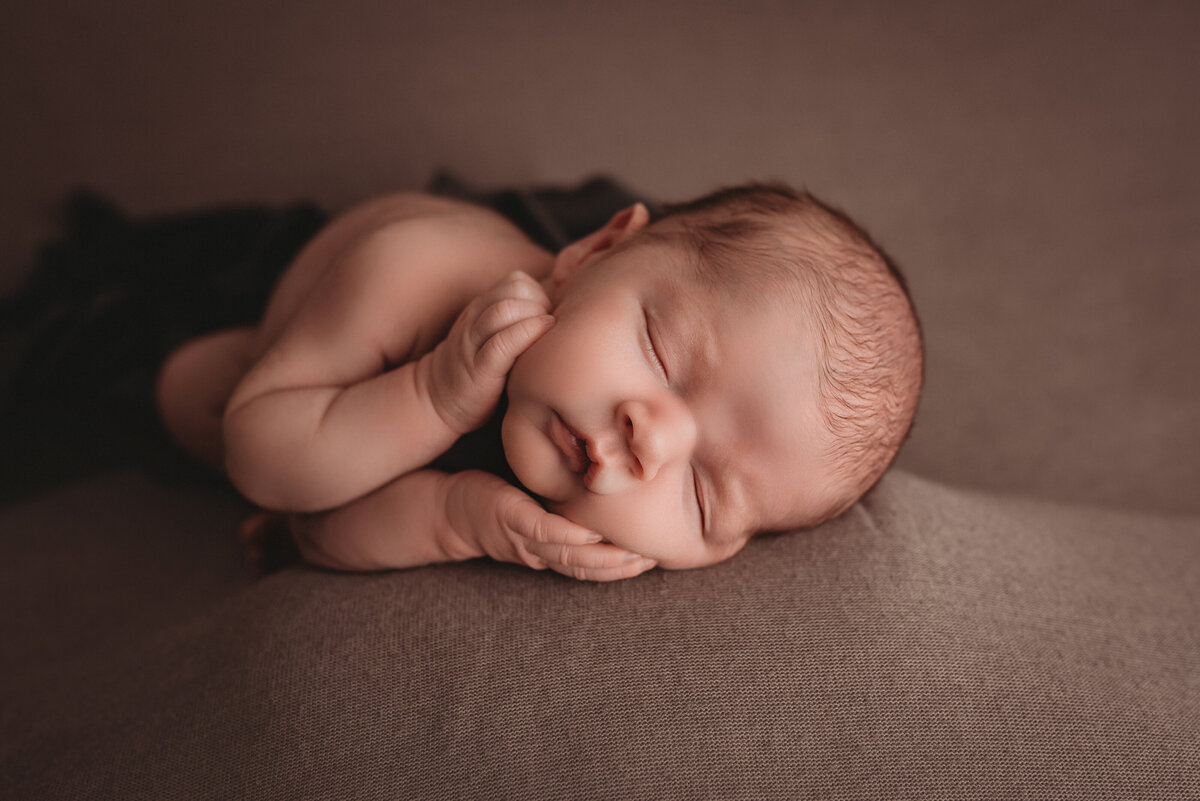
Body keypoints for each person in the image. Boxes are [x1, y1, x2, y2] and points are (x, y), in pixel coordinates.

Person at [156, 182, 923, 581]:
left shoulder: (584, 517)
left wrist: (458, 519)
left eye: (701, 493)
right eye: (659, 349)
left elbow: (318, 533)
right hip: (324, 319)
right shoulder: (415, 275)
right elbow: (259, 461)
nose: (650, 439)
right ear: (592, 253)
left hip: (353, 433)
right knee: (185, 395)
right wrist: (432, 393)